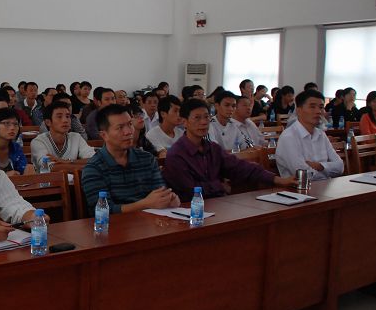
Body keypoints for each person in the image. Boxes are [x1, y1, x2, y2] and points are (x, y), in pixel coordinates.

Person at [163, 99, 295, 202]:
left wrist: (277, 179)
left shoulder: (213, 148)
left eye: (206, 117)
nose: (203, 122)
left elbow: (240, 167)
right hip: (191, 211)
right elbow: (189, 190)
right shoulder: (176, 154)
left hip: (219, 204)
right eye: (197, 118)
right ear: (184, 122)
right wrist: (219, 186)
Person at [81, 104, 180, 217]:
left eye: (130, 124)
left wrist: (169, 199)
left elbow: (160, 194)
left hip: (149, 222)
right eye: (120, 128)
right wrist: (145, 204)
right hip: (115, 226)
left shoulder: (147, 159)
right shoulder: (94, 168)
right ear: (104, 135)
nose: (128, 131)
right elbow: (103, 211)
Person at [275, 90, 344, 180]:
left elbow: (340, 167)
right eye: (312, 107)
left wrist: (320, 166)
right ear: (299, 111)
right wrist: (328, 171)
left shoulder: (321, 134)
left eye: (321, 107)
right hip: (298, 187)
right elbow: (302, 174)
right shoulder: (288, 137)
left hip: (324, 185)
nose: (318, 111)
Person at [31, 101, 95, 169]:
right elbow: (47, 167)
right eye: (59, 117)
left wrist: (68, 162)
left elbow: (94, 159)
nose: (65, 120)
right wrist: (80, 164)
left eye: (67, 116)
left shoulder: (76, 137)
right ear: (48, 122)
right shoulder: (38, 142)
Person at [0, 108, 31, 175]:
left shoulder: (16, 147)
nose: (12, 128)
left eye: (15, 124)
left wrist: (27, 170)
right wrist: (5, 176)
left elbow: (22, 169)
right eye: (7, 123)